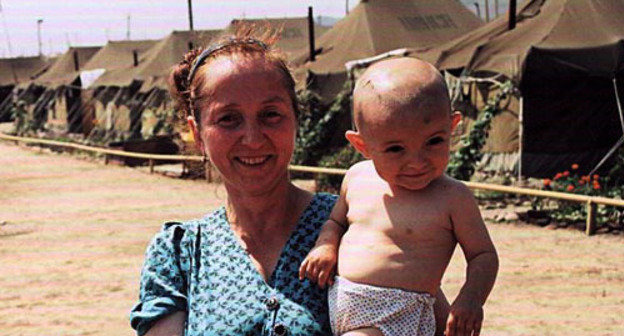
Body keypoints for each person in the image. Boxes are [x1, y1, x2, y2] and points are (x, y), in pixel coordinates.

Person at [129, 28, 452, 336]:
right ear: (198, 133)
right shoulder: (179, 254)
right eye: (228, 119)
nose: (253, 139)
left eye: (271, 115)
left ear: (296, 119)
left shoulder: (362, 219)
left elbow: (428, 319)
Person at [299, 57, 499, 336]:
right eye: (395, 149)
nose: (417, 162)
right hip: (346, 307)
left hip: (398, 315)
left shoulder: (452, 197)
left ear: (452, 127)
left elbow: (483, 255)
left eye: (434, 142)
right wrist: (325, 246)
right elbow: (336, 223)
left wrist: (471, 298)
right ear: (362, 145)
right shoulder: (356, 178)